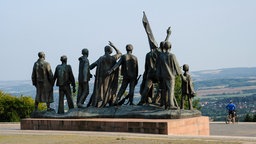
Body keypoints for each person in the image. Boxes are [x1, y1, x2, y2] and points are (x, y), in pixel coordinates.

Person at [87, 41, 122, 107]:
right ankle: (109, 101)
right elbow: (120, 53)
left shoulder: (101, 58)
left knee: (101, 90)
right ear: (110, 51)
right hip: (110, 78)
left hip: (101, 78)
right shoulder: (113, 58)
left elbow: (91, 66)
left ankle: (101, 102)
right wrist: (113, 45)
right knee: (109, 89)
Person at [156, 42, 182, 110]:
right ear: (170, 47)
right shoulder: (172, 55)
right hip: (170, 75)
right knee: (170, 90)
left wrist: (158, 75)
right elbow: (176, 66)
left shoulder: (160, 56)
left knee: (164, 90)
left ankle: (165, 104)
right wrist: (180, 75)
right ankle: (171, 104)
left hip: (163, 75)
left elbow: (158, 67)